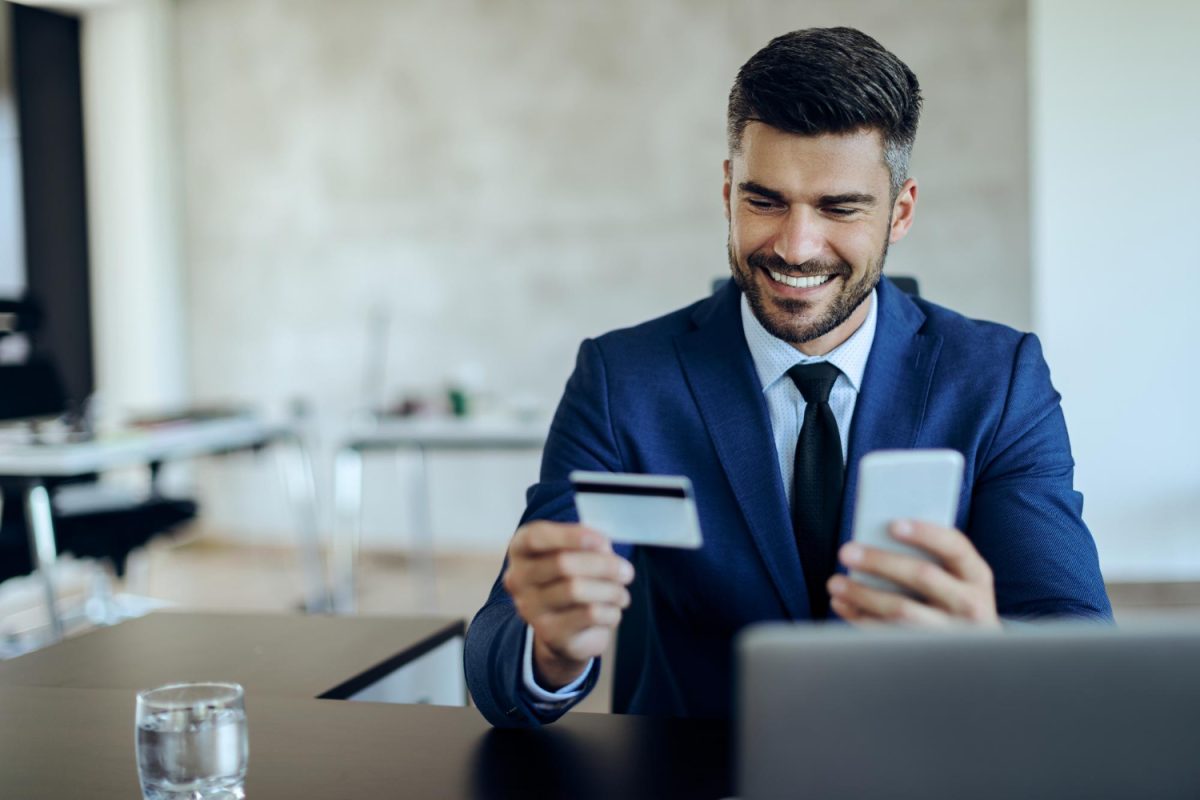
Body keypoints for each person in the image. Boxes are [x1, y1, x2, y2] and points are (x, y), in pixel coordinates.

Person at [464, 26, 1112, 727]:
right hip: (694, 772)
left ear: (900, 212)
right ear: (727, 190)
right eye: (765, 200)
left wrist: (988, 649)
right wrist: (550, 650)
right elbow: (502, 650)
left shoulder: (999, 379)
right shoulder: (624, 380)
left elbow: (1075, 642)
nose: (796, 246)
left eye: (839, 208)